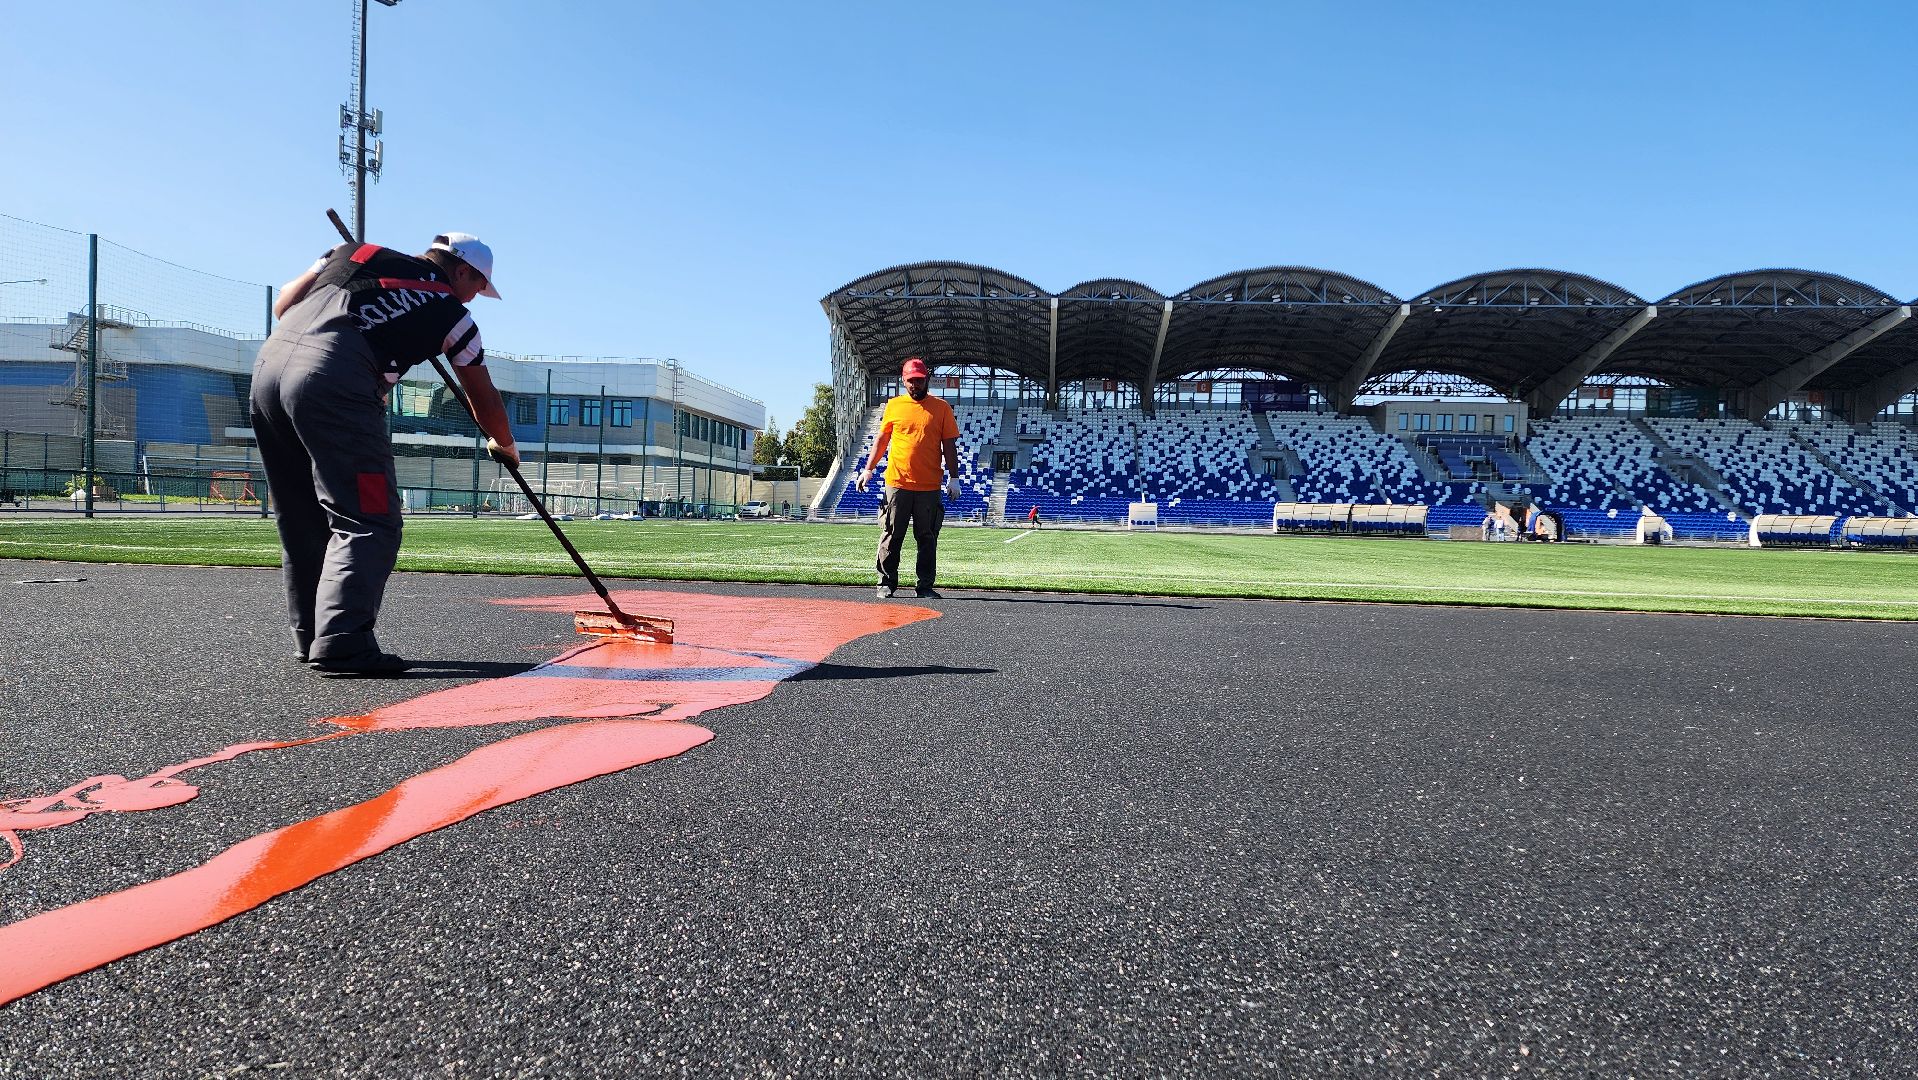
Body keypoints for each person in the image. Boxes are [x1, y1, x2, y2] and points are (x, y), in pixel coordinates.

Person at [251, 231, 517, 676]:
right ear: (462, 271)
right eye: (477, 285)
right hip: (334, 382)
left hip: (268, 371)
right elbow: (484, 398)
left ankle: (314, 636)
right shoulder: (453, 314)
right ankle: (343, 643)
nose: (475, 296)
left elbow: (284, 305)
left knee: (303, 516)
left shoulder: (354, 253)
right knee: (370, 519)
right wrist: (505, 446)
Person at [856, 357, 961, 598]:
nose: (915, 385)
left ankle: (925, 586)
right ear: (904, 381)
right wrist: (868, 469)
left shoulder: (941, 408)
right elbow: (882, 440)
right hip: (897, 482)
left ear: (926, 380)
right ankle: (886, 583)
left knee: (927, 537)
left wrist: (954, 477)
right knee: (892, 534)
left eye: (919, 380)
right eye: (911, 380)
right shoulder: (894, 406)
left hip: (929, 485)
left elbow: (949, 446)